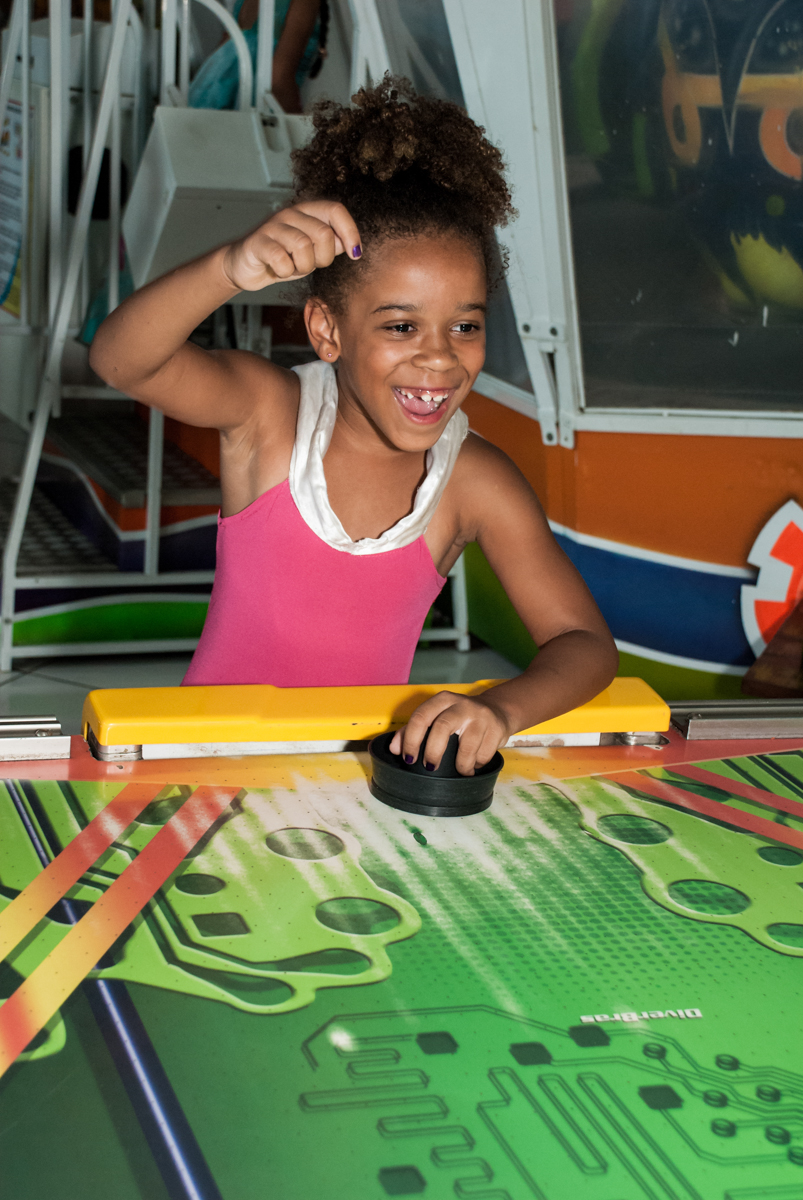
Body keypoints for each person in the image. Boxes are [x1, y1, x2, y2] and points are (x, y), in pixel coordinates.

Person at [90, 76, 618, 776]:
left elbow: (584, 642)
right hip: (200, 773)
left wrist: (500, 709)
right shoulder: (269, 414)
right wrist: (228, 268)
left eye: (464, 326)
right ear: (326, 330)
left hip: (358, 789)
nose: (439, 357)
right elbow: (121, 361)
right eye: (401, 326)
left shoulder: (475, 480)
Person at [188, 0, 324, 114]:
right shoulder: (304, 3)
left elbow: (221, 58)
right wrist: (301, 129)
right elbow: (278, 80)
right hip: (258, 115)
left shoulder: (244, 3)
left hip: (210, 104)